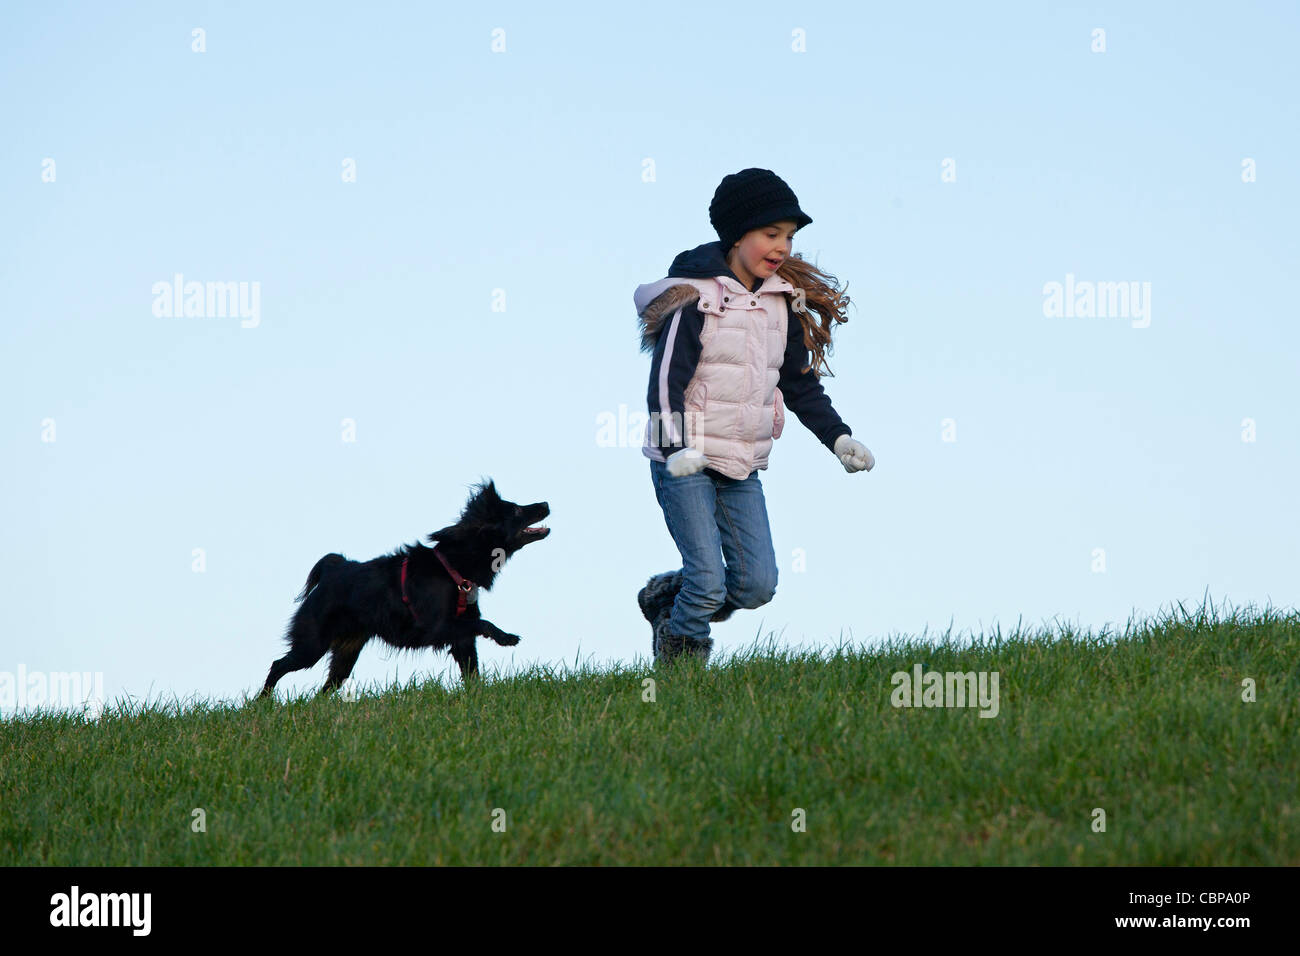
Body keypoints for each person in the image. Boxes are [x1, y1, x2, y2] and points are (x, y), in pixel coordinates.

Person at [634, 168, 874, 665]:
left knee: (756, 585)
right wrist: (675, 448)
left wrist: (839, 437)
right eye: (771, 234)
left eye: (789, 236)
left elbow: (800, 383)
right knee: (705, 582)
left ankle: (665, 598)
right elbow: (663, 385)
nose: (783, 246)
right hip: (685, 461)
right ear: (738, 234)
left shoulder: (779, 303)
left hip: (742, 462)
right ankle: (680, 672)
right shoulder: (693, 299)